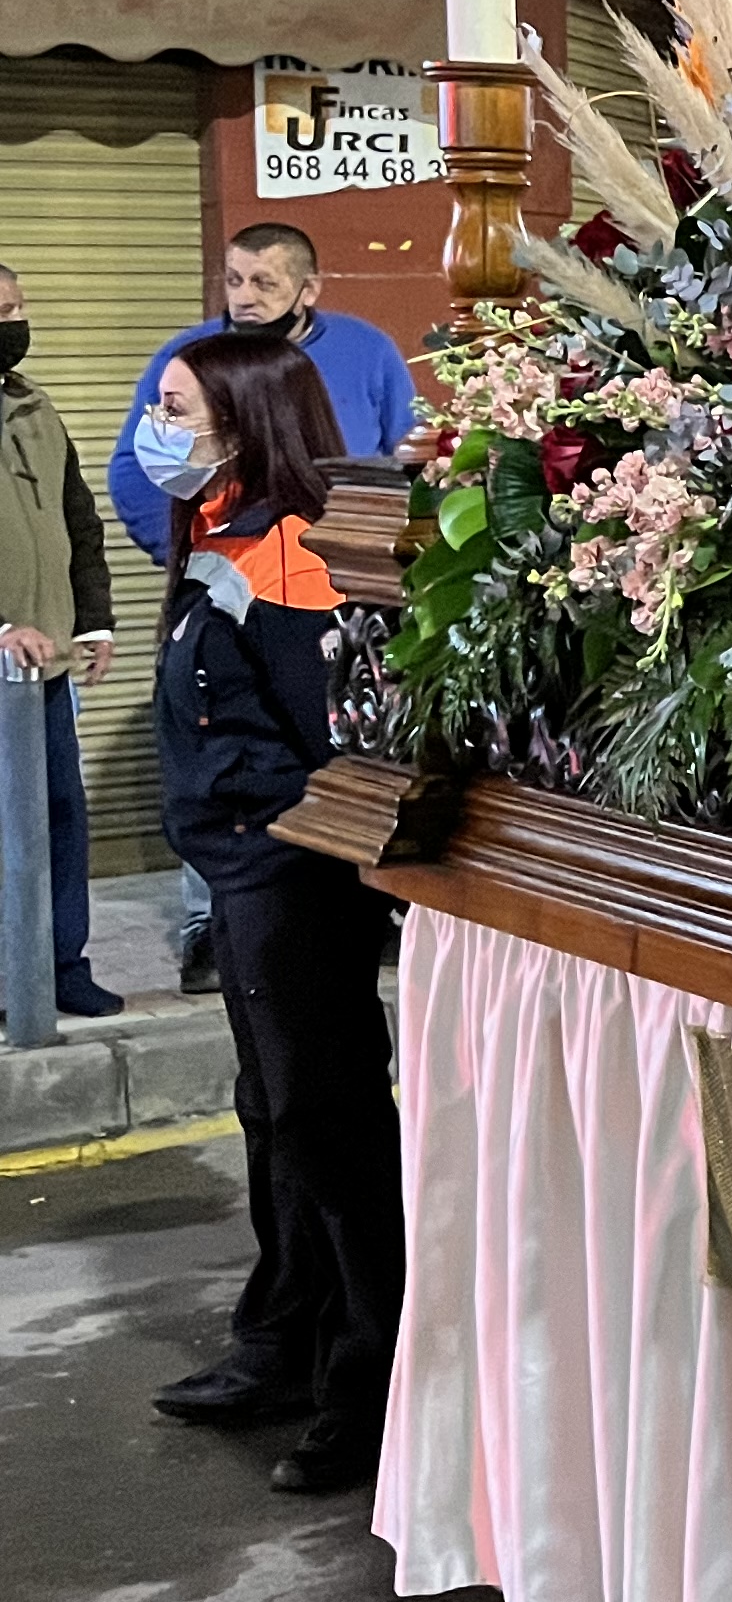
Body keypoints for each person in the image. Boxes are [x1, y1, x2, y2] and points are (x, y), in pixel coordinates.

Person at [138, 331, 404, 1496]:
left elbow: (330, 744)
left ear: (245, 422)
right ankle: (282, 1341)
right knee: (273, 1117)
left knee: (327, 1124)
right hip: (241, 871)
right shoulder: (222, 537)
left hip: (291, 879)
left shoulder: (292, 558)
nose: (157, 425)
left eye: (178, 407)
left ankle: (371, 1383)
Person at [112, 222, 418, 995]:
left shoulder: (290, 554)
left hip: (279, 857)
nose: (243, 298)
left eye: (265, 284)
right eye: (234, 280)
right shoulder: (196, 358)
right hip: (240, 849)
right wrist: (192, 556)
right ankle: (203, 926)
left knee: (304, 1072)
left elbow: (318, 733)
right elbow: (131, 473)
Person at [0, 262, 122, 1014]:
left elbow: (79, 520)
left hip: (44, 670)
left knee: (59, 816)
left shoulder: (37, 408)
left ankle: (59, 964)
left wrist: (94, 619)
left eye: (16, 306)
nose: (15, 322)